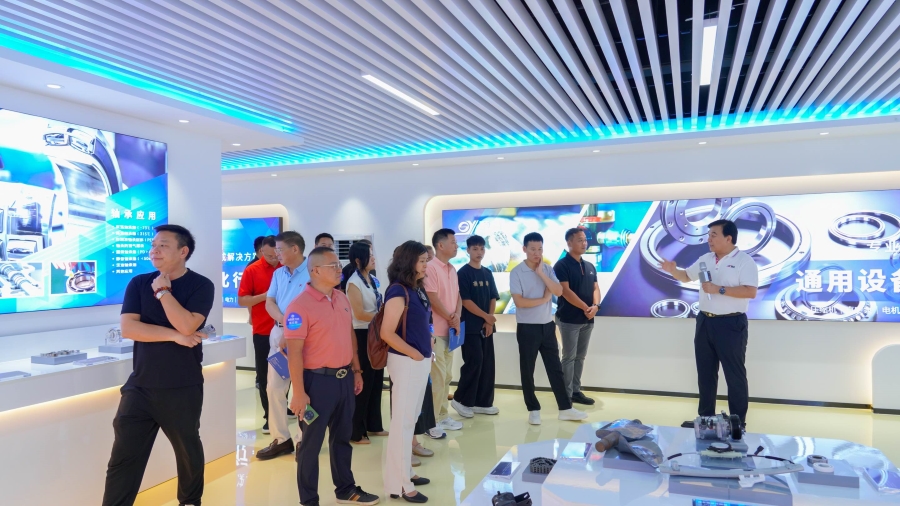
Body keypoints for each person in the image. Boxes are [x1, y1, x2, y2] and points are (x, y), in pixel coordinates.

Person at [102, 224, 215, 506]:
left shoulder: (201, 285)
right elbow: (130, 328)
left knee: (187, 452)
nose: (154, 250)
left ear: (183, 251)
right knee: (123, 458)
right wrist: (175, 336)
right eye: (153, 245)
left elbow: (187, 324)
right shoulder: (139, 283)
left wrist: (164, 292)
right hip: (140, 385)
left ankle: (190, 502)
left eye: (163, 245)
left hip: (182, 385)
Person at [285, 247, 380, 506]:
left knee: (342, 438)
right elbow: (294, 353)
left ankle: (346, 490)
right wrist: (299, 392)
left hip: (344, 379)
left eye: (339, 264)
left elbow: (350, 336)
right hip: (316, 384)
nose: (339, 269)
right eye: (333, 265)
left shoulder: (341, 298)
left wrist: (357, 370)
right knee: (311, 445)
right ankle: (309, 500)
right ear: (315, 271)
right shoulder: (298, 307)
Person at [660, 219, 758, 428]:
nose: (709, 239)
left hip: (731, 324)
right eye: (708, 235)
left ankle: (737, 423)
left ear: (728, 238)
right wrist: (672, 270)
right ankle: (706, 419)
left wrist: (719, 289)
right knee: (705, 373)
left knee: (734, 374)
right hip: (705, 321)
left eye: (714, 235)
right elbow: (686, 276)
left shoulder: (744, 261)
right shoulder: (705, 258)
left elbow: (750, 291)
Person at [509, 232, 587, 426]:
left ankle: (565, 408)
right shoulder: (517, 272)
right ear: (524, 249)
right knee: (528, 370)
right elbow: (520, 302)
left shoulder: (547, 269)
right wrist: (544, 299)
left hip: (547, 326)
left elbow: (559, 291)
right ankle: (533, 409)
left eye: (540, 249)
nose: (537, 253)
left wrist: (542, 274)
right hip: (527, 328)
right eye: (533, 249)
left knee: (555, 369)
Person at [382, 241, 433, 503]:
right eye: (422, 260)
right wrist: (414, 353)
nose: (426, 265)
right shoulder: (397, 290)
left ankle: (407, 473)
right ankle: (399, 484)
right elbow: (386, 332)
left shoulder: (416, 288)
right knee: (402, 423)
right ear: (408, 261)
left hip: (418, 361)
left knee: (410, 420)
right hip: (406, 362)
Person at [257, 231, 309, 460]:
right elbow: (270, 301)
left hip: (305, 336)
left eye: (279, 249)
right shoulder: (278, 273)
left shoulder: (312, 271)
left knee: (304, 390)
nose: (276, 254)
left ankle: (304, 440)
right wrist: (283, 321)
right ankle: (281, 439)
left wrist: (291, 328)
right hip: (279, 334)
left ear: (294, 249)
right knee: (274, 388)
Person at [451, 235, 499, 418]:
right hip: (470, 327)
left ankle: (482, 402)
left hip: (486, 326)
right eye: (475, 249)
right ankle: (461, 400)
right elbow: (466, 301)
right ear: (468, 251)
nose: (479, 252)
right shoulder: (463, 273)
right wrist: (486, 317)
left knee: (487, 363)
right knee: (474, 361)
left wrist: (489, 320)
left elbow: (493, 297)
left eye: (482, 248)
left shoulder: (487, 273)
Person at [344, 241, 388, 444]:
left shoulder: (372, 279)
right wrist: (383, 318)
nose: (373, 258)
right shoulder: (354, 282)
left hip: (375, 333)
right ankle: (356, 431)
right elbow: (359, 313)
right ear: (358, 260)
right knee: (364, 383)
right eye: (369, 255)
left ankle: (374, 424)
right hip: (362, 335)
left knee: (376, 382)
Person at [553, 228, 600, 406]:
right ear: (569, 243)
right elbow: (565, 291)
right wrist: (585, 307)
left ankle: (576, 391)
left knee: (580, 357)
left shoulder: (589, 266)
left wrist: (595, 307)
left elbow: (596, 288)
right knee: (569, 357)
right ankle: (565, 395)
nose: (584, 243)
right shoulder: (561, 265)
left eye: (585, 240)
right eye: (579, 240)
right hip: (569, 319)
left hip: (588, 319)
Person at [238, 235, 280, 433]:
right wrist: (266, 296)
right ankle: (269, 415)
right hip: (263, 330)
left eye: (277, 255)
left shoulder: (287, 268)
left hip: (287, 330)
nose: (274, 259)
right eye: (269, 256)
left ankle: (281, 408)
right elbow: (242, 300)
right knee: (264, 375)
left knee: (286, 372)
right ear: (262, 251)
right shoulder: (252, 270)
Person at [424, 229, 463, 432]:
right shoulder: (430, 268)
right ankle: (432, 421)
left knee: (447, 375)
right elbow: (432, 298)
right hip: (435, 332)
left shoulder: (452, 269)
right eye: (453, 242)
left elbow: (458, 297)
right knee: (438, 377)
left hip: (451, 331)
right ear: (441, 245)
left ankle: (442, 415)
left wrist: (457, 317)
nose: (456, 246)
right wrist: (450, 317)